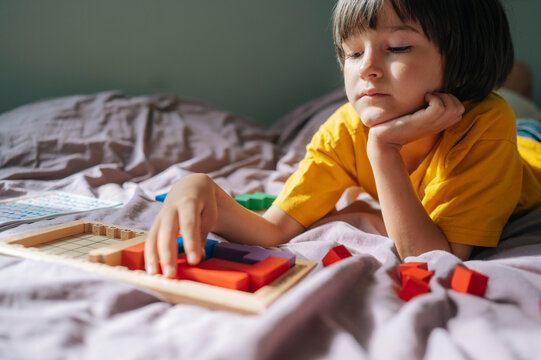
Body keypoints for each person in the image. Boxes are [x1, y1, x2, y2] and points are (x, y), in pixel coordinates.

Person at [145, 0, 541, 278]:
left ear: (462, 61)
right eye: (352, 53)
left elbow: (434, 257)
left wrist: (383, 149)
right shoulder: (344, 128)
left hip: (526, 146)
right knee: (514, 90)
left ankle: (516, 81)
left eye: (398, 47)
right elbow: (273, 230)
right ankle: (517, 79)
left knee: (516, 106)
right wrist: (199, 187)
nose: (366, 68)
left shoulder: (487, 126)